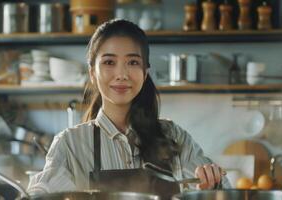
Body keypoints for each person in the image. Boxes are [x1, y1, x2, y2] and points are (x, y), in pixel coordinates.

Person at [27, 19, 230, 197]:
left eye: (132, 62)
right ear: (92, 73)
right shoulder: (70, 144)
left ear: (145, 72)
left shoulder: (174, 136)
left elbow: (221, 193)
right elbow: (42, 192)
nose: (121, 74)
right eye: (109, 62)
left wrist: (212, 181)